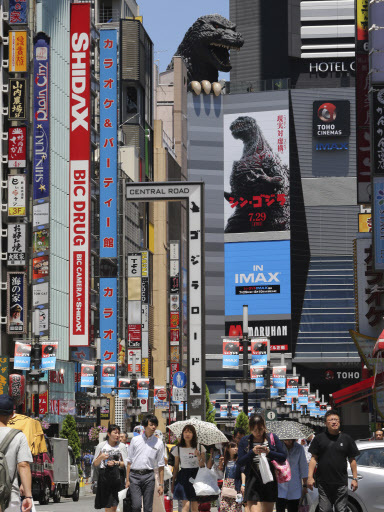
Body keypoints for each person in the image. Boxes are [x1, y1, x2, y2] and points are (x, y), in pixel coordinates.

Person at [307, 410, 359, 512]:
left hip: (341, 482)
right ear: (326, 423)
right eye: (331, 420)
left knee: (341, 509)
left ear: (339, 422)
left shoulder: (347, 438)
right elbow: (313, 459)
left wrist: (355, 478)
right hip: (323, 483)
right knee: (325, 510)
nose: (334, 422)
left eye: (336, 420)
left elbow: (352, 460)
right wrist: (310, 477)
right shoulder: (319, 438)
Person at [237, 414, 286, 512]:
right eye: (254, 430)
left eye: (260, 429)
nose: (258, 433)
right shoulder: (245, 441)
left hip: (269, 478)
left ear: (264, 427)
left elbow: (283, 457)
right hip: (252, 478)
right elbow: (240, 462)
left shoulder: (272, 438)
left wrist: (269, 452)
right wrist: (252, 452)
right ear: (250, 429)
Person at [0, 395, 33, 512]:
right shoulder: (18, 436)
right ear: (12, 415)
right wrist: (28, 496)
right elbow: (23, 465)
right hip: (9, 497)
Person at [126, 414, 165, 512]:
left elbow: (161, 465)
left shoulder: (159, 443)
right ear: (144, 426)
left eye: (155, 425)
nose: (153, 427)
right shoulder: (135, 440)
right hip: (134, 476)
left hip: (149, 476)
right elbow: (129, 461)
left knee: (148, 508)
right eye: (151, 424)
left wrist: (161, 484)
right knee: (136, 506)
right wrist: (127, 480)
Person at [171, 424, 209, 512]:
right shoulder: (178, 448)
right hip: (183, 476)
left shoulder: (200, 447)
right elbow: (176, 467)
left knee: (195, 506)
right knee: (185, 505)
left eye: (190, 432)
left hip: (196, 476)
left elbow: (203, 466)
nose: (187, 434)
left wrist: (199, 456)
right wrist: (173, 482)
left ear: (193, 434)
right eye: (185, 432)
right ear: (182, 434)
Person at [93, 424, 128, 511]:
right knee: (107, 505)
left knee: (116, 505)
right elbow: (95, 463)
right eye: (115, 433)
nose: (117, 435)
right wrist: (101, 457)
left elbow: (126, 464)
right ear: (108, 434)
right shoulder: (101, 446)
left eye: (118, 433)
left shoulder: (122, 446)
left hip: (118, 478)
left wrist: (116, 462)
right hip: (105, 478)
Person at [276, 439, 308, 512]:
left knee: (293, 508)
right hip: (280, 485)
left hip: (294, 485)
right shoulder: (277, 447)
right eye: (286, 439)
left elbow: (303, 467)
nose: (289, 441)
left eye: (290, 439)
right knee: (280, 508)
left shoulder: (299, 448)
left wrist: (305, 485)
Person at [218, 441, 242, 512]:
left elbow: (242, 473)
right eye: (233, 447)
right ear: (228, 449)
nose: (236, 448)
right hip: (226, 484)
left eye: (236, 447)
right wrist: (220, 464)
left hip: (237, 485)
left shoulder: (239, 460)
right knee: (224, 507)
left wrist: (243, 485)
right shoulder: (225, 460)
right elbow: (220, 473)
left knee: (236, 507)